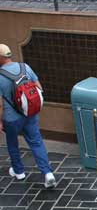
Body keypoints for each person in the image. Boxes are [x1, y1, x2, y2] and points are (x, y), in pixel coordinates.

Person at [0, 44, 56, 188]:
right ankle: (48, 173)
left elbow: (0, 104)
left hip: (11, 118)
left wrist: (0, 121)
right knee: (36, 141)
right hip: (29, 113)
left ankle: (19, 172)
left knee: (12, 143)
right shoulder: (25, 67)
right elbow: (39, 88)